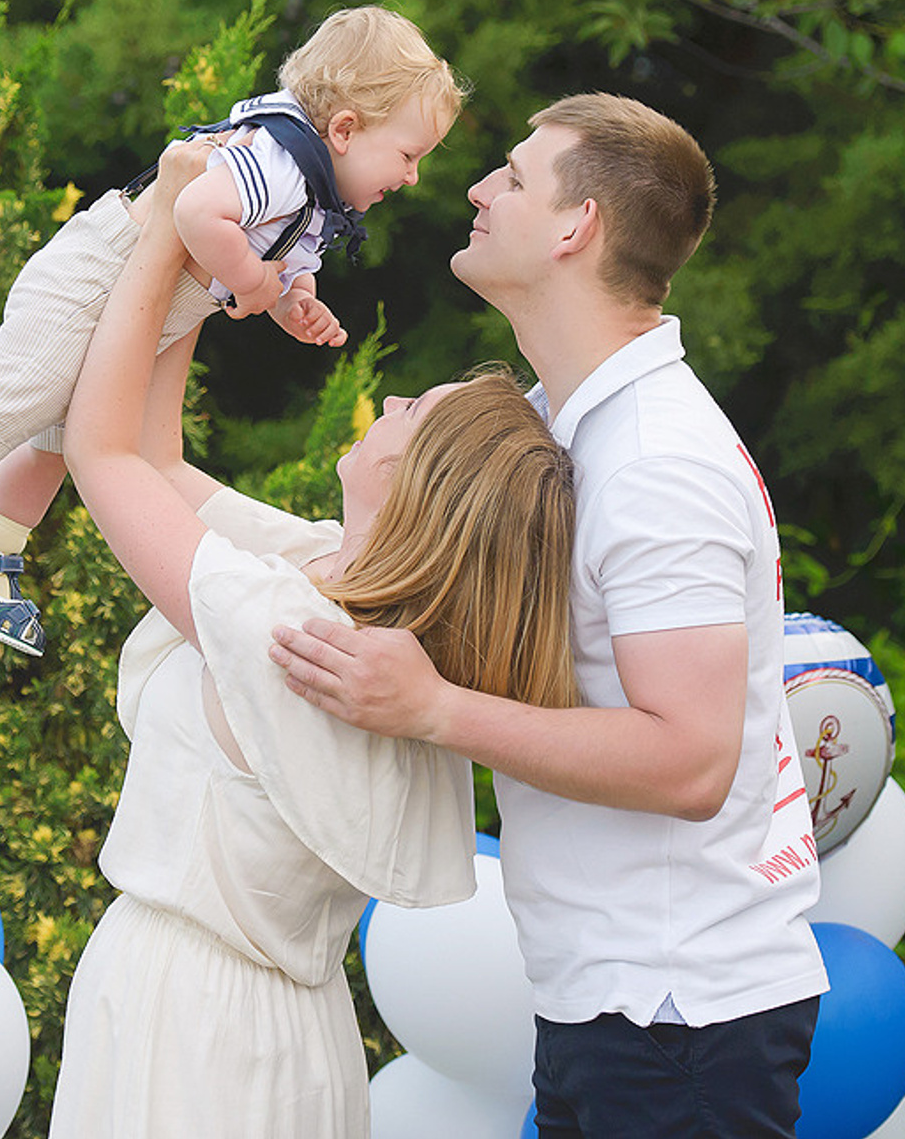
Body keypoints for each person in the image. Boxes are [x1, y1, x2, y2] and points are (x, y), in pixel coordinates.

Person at [268, 93, 829, 1138]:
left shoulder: (656, 462)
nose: (479, 189)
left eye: (515, 177)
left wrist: (435, 709)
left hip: (678, 1017)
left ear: (578, 227)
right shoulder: (560, 421)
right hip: (613, 1005)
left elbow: (691, 762)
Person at [44, 140, 577, 1137]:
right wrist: (206, 271)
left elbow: (100, 451)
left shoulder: (292, 627)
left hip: (188, 1022)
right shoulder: (354, 601)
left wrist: (165, 228)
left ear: (415, 483)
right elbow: (157, 459)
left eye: (413, 410)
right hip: (292, 1028)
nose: (391, 402)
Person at [0, 5, 464, 657]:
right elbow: (196, 210)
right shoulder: (279, 161)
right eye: (409, 154)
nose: (413, 175)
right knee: (7, 399)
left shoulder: (316, 195)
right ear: (344, 130)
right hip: (102, 270)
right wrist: (253, 282)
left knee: (57, 438)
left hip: (152, 299)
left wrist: (295, 301)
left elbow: (287, 264)